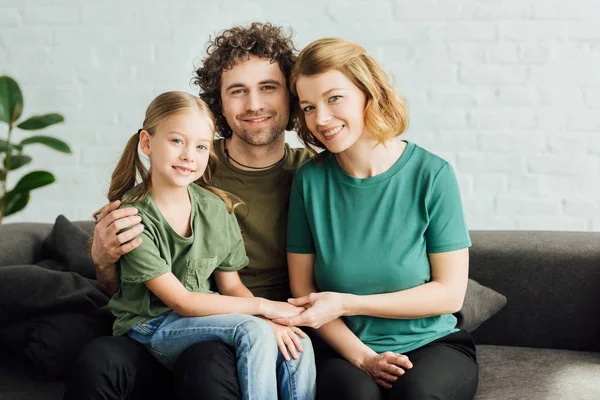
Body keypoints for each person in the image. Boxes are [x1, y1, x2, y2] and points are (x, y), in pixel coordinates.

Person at [63, 23, 315, 400]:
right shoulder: (183, 175)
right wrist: (101, 259)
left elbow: (230, 283)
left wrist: (276, 316)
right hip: (181, 318)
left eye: (267, 87)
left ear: (289, 95)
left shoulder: (311, 175)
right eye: (237, 91)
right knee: (110, 359)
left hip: (235, 314)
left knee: (293, 345)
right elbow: (163, 293)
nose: (253, 104)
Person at [274, 37, 479, 399]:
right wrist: (364, 358)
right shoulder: (310, 181)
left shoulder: (432, 175)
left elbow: (449, 295)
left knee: (415, 394)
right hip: (344, 348)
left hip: (432, 344)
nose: (320, 118)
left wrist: (349, 302)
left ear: (370, 93)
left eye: (334, 98)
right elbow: (303, 291)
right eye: (308, 107)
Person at [100, 90, 314, 400]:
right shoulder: (132, 219)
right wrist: (262, 309)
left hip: (201, 317)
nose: (189, 155)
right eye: (177, 141)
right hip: (150, 325)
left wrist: (272, 322)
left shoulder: (216, 207)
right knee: (253, 331)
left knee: (295, 341)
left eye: (201, 146)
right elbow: (183, 302)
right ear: (147, 142)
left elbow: (231, 285)